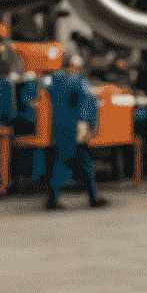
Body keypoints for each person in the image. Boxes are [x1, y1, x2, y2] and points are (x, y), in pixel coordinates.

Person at [42, 56, 104, 209]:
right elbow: (87, 102)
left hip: (59, 126)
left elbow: (44, 88)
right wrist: (87, 126)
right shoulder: (78, 81)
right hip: (74, 126)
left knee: (72, 161)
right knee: (70, 162)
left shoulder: (54, 80)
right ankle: (90, 198)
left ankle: (92, 197)